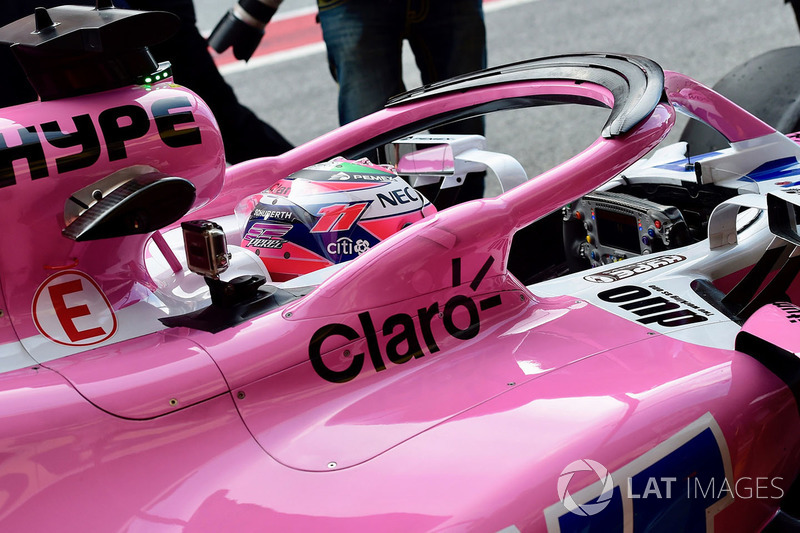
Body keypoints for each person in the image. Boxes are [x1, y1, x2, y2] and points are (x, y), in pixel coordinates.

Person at [210, 0, 487, 197]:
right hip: (354, 7)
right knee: (370, 156)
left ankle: (474, 244)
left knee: (465, 136)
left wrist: (254, 10)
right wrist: (255, 9)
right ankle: (392, 259)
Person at [0, 0, 293, 164]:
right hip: (17, 29)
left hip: (129, 11)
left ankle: (320, 190)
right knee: (26, 145)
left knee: (207, 115)